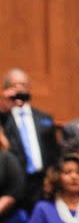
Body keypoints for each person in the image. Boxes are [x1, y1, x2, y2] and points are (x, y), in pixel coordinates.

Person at [1, 68, 60, 210]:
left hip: (41, 183)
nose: (19, 90)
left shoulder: (44, 118)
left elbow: (54, 152)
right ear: (6, 90)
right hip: (14, 183)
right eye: (14, 86)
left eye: (22, 85)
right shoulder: (3, 118)